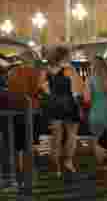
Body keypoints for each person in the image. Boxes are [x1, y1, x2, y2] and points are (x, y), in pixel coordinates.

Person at [5, 51, 49, 181]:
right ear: (32, 60)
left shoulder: (12, 72)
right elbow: (38, 90)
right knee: (30, 142)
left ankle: (18, 169)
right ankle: (29, 169)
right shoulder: (36, 73)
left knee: (18, 143)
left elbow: (10, 89)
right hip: (32, 109)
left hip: (15, 110)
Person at [45, 45, 86, 176]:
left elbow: (42, 87)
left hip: (54, 104)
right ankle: (68, 162)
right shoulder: (69, 70)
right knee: (71, 135)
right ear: (65, 56)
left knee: (56, 137)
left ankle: (56, 167)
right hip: (69, 104)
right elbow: (79, 89)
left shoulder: (48, 70)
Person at [88, 55, 107, 169]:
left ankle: (101, 167)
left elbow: (86, 98)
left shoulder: (91, 79)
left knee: (97, 141)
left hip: (96, 113)